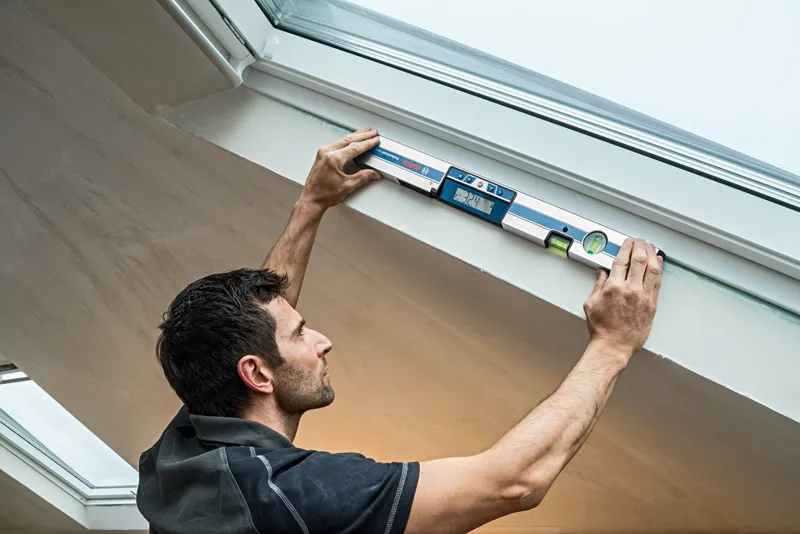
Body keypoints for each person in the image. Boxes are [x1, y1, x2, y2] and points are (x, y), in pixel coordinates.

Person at [137, 127, 664, 534]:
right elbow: (513, 482)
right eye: (302, 336)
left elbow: (260, 324)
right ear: (255, 376)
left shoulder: (183, 451)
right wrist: (613, 343)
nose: (323, 341)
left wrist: (310, 206)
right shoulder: (293, 495)